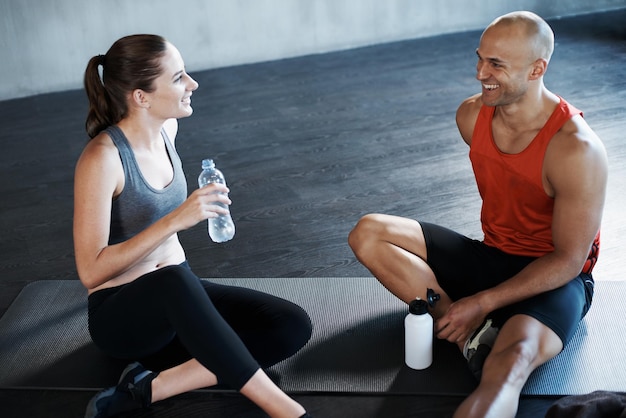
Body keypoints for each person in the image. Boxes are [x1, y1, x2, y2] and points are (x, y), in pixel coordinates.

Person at [348, 11, 607, 418]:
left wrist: (484, 301)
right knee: (369, 233)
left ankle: (477, 326)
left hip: (554, 278)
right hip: (492, 256)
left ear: (537, 68)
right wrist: (476, 306)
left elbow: (569, 260)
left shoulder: (576, 149)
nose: (480, 73)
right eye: (480, 59)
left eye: (496, 64)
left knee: (509, 366)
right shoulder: (471, 116)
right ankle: (468, 333)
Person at [75, 34, 313, 418]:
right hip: (125, 320)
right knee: (172, 279)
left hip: (178, 298)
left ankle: (151, 386)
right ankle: (287, 412)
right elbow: (90, 271)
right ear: (141, 97)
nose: (193, 84)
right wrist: (175, 220)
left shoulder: (166, 131)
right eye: (179, 77)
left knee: (289, 326)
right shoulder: (102, 159)